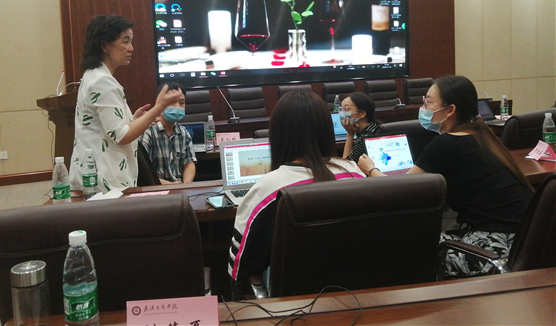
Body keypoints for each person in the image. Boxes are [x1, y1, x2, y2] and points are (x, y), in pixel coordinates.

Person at [357, 75, 534, 278]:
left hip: (494, 251)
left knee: (395, 245)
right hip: (525, 244)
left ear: (450, 110)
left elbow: (399, 191)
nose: (423, 107)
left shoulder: (448, 143)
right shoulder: (483, 136)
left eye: (428, 102)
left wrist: (371, 169)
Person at [229, 90, 365, 286]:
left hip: (292, 297)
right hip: (356, 287)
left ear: (277, 135)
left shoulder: (268, 188)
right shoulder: (354, 172)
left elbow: (240, 265)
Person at [70, 15, 183, 192]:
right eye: (125, 41)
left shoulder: (93, 75)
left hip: (95, 174)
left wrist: (133, 120)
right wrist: (159, 108)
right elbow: (121, 136)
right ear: (105, 45)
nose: (131, 48)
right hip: (105, 180)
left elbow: (108, 128)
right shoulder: (103, 81)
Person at [140, 82, 197, 184]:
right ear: (159, 103)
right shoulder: (147, 131)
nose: (177, 106)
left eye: (182, 103)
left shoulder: (183, 132)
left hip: (180, 187)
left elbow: (189, 163)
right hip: (156, 188)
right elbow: (144, 172)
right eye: (171, 102)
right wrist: (171, 185)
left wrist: (186, 184)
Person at [340, 92, 380, 162]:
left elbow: (347, 164)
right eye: (341, 109)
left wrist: (350, 134)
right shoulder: (374, 126)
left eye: (346, 109)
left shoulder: (366, 137)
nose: (342, 113)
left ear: (362, 113)